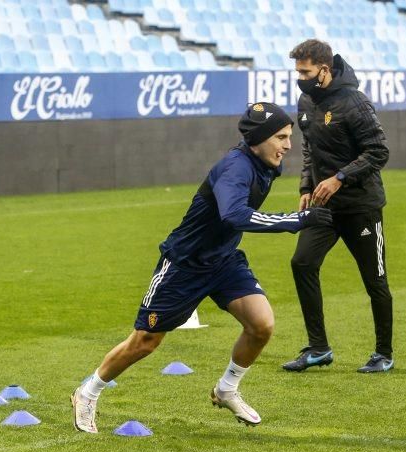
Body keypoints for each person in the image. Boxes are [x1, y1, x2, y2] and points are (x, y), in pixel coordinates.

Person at [71, 102, 333, 433]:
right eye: (281, 137)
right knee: (145, 341)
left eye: (288, 137)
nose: (288, 145)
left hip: (223, 261)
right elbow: (234, 215)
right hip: (185, 265)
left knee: (261, 324)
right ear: (260, 139)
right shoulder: (236, 168)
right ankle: (88, 392)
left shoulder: (264, 163)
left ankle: (226, 389)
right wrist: (297, 220)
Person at [282, 39, 394, 374]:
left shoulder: (354, 102)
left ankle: (383, 354)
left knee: (375, 281)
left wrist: (339, 178)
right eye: (297, 71)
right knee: (302, 263)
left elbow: (378, 152)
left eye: (305, 71)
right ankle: (318, 348)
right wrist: (307, 186)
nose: (300, 77)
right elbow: (309, 151)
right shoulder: (306, 101)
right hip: (323, 208)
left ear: (324, 70)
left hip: (361, 206)